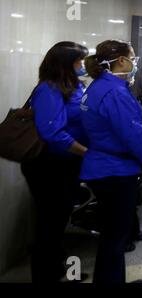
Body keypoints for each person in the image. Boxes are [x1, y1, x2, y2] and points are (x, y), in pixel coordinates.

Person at [81, 39, 142, 283]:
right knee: (115, 238)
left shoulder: (97, 87)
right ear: (121, 61)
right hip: (114, 170)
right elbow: (131, 132)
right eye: (133, 58)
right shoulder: (115, 91)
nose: (134, 63)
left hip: (101, 166)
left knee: (111, 236)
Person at [20, 42, 89, 283]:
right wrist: (85, 152)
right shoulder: (48, 90)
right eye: (78, 61)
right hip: (48, 166)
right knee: (49, 224)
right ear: (64, 64)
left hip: (67, 163)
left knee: (58, 221)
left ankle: (59, 270)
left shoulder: (72, 86)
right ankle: (44, 276)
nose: (82, 66)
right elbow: (53, 133)